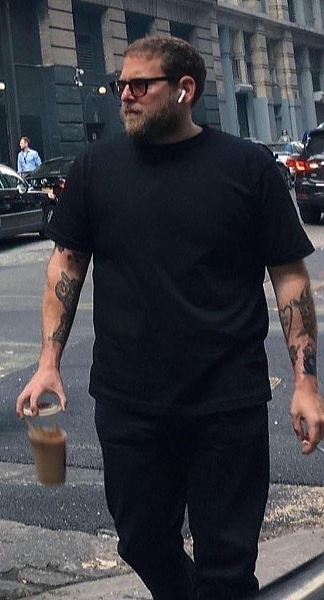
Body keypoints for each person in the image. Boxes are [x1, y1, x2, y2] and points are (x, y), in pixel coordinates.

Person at [16, 35, 324, 599]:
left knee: (227, 567)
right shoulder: (95, 168)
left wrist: (305, 382)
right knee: (141, 540)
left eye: (140, 85)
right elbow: (67, 265)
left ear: (185, 90)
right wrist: (47, 362)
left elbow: (289, 276)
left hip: (226, 403)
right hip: (129, 402)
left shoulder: (247, 168)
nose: (124, 95)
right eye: (121, 85)